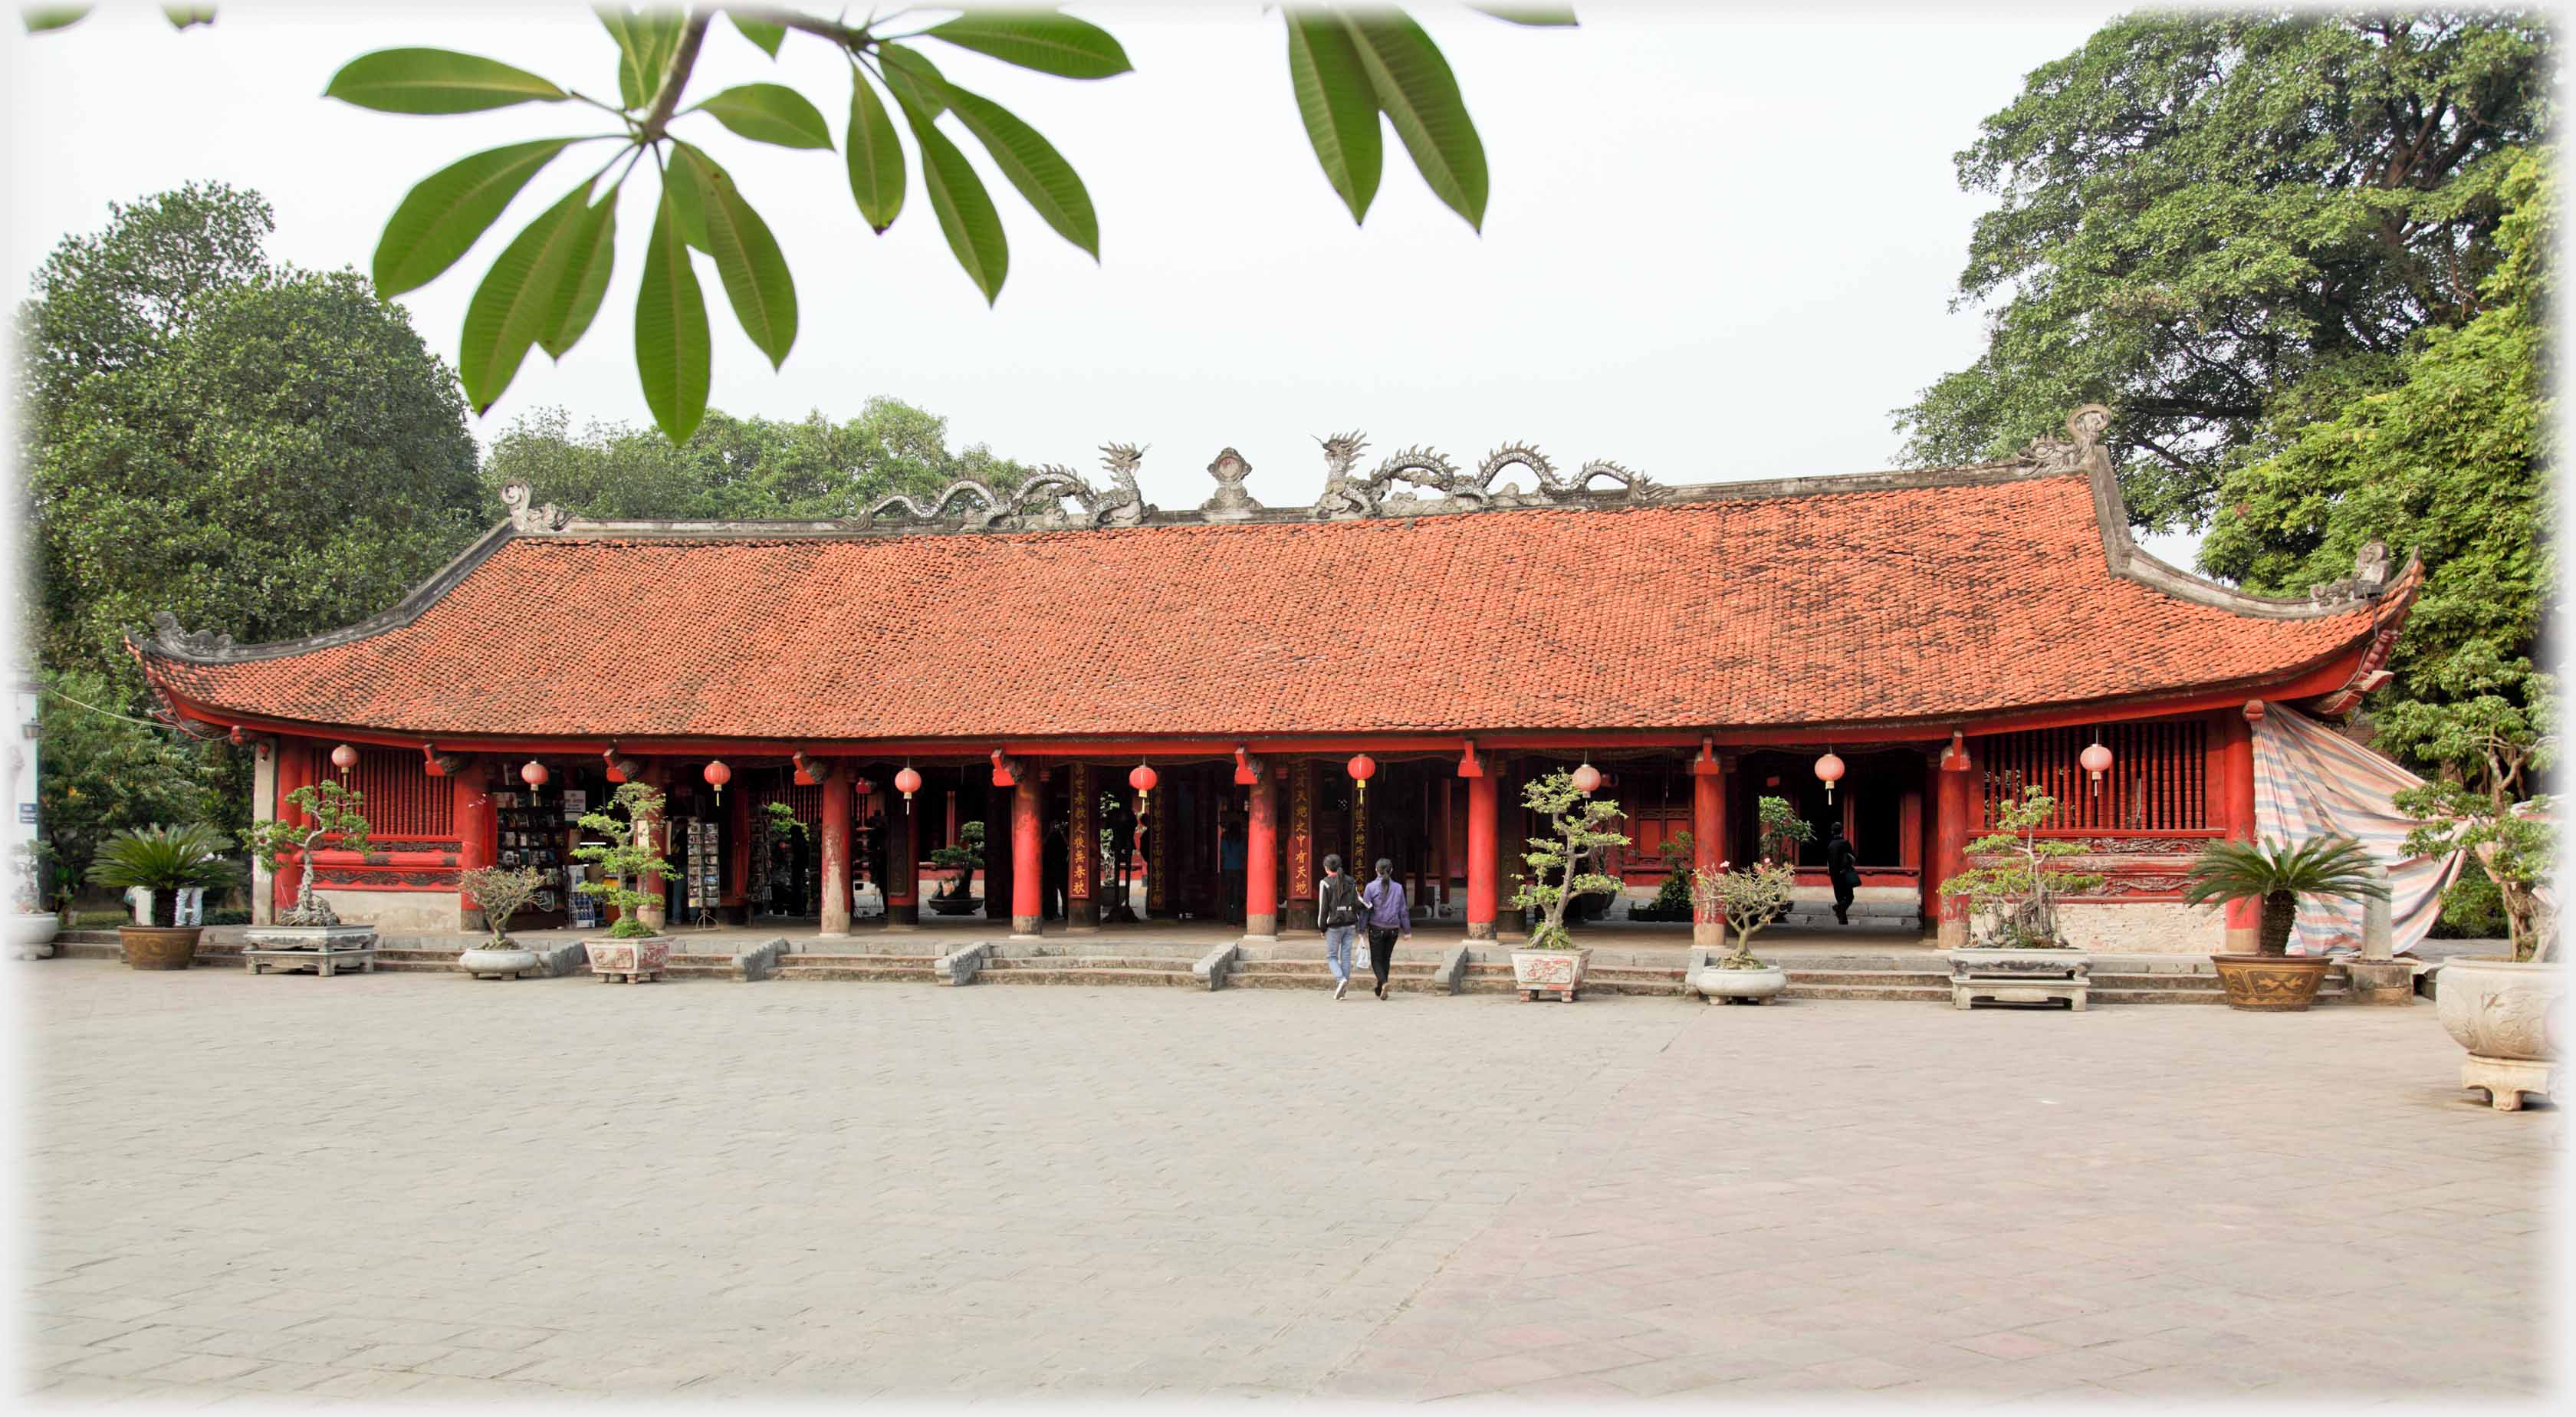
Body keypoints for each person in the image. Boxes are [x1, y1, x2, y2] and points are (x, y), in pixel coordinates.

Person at [1360, 857, 1410, 1000]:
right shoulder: (1399, 887)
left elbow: (1366, 910)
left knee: (1376, 960)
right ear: (1391, 870)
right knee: (1386, 959)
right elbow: (1403, 911)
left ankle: (1384, 982)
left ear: (1376, 870)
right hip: (1393, 928)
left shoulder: (1370, 887)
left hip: (1376, 927)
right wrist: (1407, 931)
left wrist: (1361, 929)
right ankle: (1380, 987)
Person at [1316, 853, 1363, 999]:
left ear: (1326, 868)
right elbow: (1358, 903)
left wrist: (1322, 928)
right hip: (1349, 924)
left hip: (1334, 926)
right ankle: (1343, 991)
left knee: (1331, 957)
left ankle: (1340, 979)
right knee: (1346, 956)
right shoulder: (1351, 881)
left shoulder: (1325, 883)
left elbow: (1323, 909)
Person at [1825, 820, 1861, 925]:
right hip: (1844, 874)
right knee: (1849, 897)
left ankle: (1843, 921)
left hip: (1834, 875)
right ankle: (1838, 909)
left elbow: (1828, 862)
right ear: (1842, 831)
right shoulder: (1845, 843)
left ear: (1832, 832)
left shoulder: (1830, 845)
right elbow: (1853, 858)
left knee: (1840, 898)